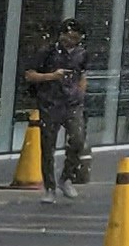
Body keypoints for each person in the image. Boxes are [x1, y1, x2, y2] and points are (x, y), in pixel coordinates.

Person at [23, 20, 93, 190]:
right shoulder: (47, 52)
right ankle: (49, 186)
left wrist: (80, 92)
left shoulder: (82, 53)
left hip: (72, 103)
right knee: (48, 146)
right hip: (50, 103)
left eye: (76, 38)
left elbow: (83, 74)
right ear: (61, 35)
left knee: (77, 140)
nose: (72, 42)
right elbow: (29, 75)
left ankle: (66, 177)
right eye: (70, 37)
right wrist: (52, 76)